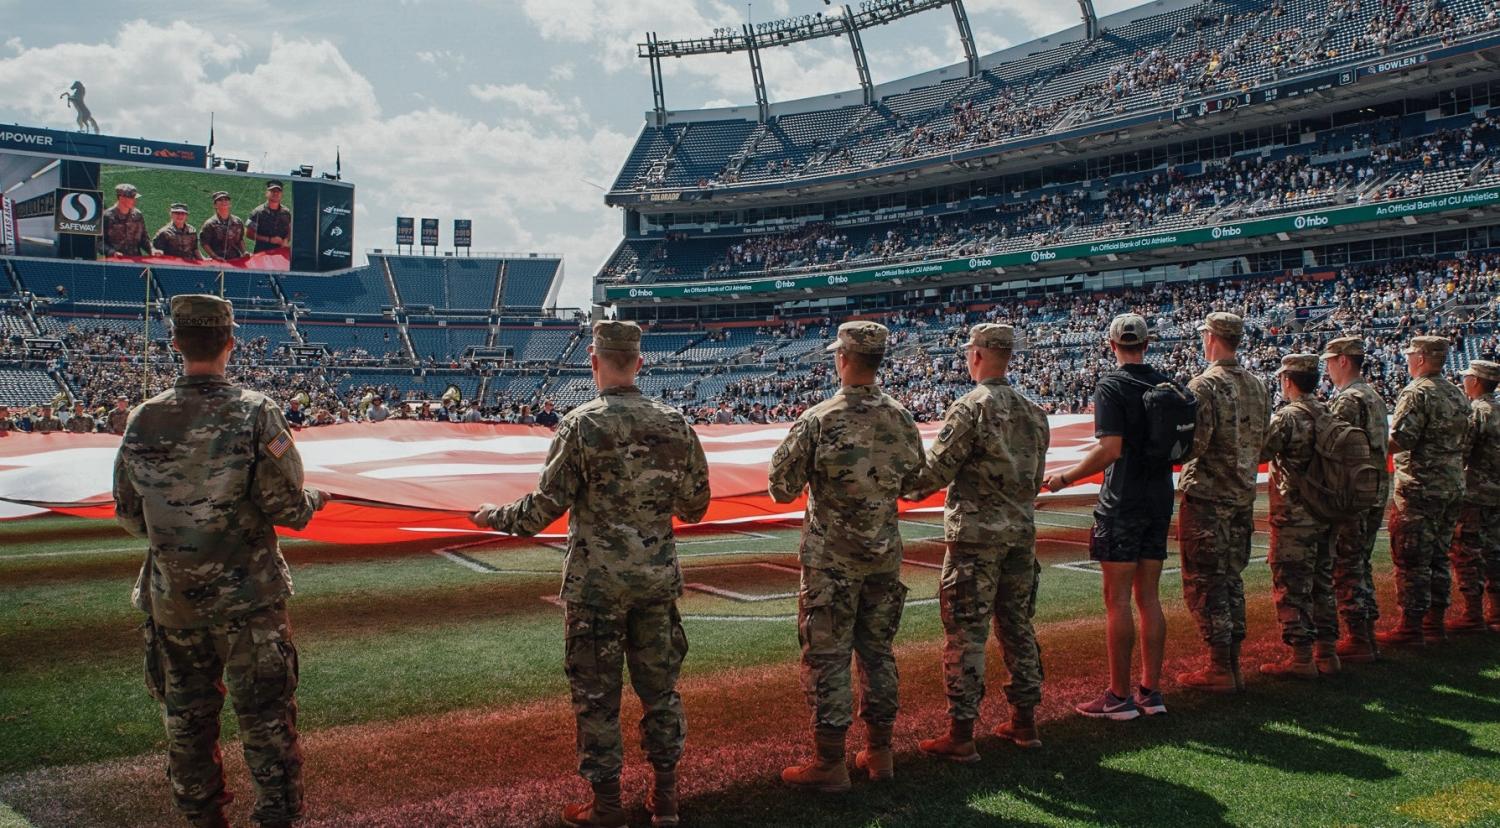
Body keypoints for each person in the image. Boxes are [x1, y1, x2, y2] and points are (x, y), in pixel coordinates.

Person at [470, 320, 710, 828]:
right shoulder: (676, 424)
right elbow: (695, 508)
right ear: (640, 363)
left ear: (594, 362)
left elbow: (540, 511)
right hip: (655, 583)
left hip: (596, 587)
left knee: (597, 699)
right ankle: (664, 801)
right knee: (660, 693)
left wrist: (490, 514)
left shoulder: (581, 426)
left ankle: (605, 807)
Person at [113, 294, 327, 828]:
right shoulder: (256, 413)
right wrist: (316, 501)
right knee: (266, 723)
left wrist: (178, 535)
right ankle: (277, 816)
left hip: (174, 603)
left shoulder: (143, 419)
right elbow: (286, 507)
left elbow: (129, 512)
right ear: (231, 342)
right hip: (249, 603)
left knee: (187, 727)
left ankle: (201, 818)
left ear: (176, 344)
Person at [768, 321, 924, 792]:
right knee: (877, 653)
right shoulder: (900, 418)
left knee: (829, 659)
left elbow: (781, 488)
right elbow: (917, 483)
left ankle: (830, 763)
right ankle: (880, 754)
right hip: (883, 556)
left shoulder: (820, 418)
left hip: (831, 561)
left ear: (842, 359)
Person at [904, 323, 1048, 762]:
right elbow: (1036, 478)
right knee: (1017, 627)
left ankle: (961, 734)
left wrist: (889, 479)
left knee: (966, 634)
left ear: (978, 355)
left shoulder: (970, 408)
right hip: (1019, 537)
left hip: (974, 540)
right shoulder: (1034, 411)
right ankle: (1025, 722)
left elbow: (932, 474)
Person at [1046, 314, 1172, 720]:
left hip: (1123, 500)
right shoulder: (1166, 383)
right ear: (1147, 343)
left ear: (1111, 344)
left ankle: (1119, 697)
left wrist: (1063, 478)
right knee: (1149, 598)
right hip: (1159, 495)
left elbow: (1110, 450)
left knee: (1117, 601)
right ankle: (1151, 692)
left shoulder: (1112, 385)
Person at [1176, 312, 1269, 692]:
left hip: (1209, 497)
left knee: (1205, 581)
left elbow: (1195, 445)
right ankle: (1232, 663)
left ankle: (1219, 666)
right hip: (1242, 495)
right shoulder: (1258, 385)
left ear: (1211, 337)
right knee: (1231, 578)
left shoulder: (1204, 386)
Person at [1380, 335, 1470, 645]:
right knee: (1439, 556)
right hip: (1452, 485)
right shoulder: (1457, 394)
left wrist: (1368, 445)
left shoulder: (1417, 393)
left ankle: (1412, 625)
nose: (1406, 360)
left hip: (1420, 488)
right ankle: (1435, 622)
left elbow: (1401, 440)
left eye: (1410, 355)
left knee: (1412, 558)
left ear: (1420, 358)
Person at [1259, 354, 1338, 678]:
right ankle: (1328, 653)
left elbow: (1261, 451)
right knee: (1323, 581)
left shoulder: (1288, 417)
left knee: (1292, 584)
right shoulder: (1328, 412)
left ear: (1287, 381)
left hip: (1295, 513)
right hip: (1327, 510)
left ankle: (1302, 658)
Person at [1322, 336, 1390, 662]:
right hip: (1374, 489)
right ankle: (1367, 635)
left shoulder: (1349, 400)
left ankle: (1359, 638)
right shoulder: (1373, 395)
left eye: (1330, 361)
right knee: (1359, 562)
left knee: (1347, 564)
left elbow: (1334, 448)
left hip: (1354, 493)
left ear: (1344, 360)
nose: (1327, 367)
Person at [1450, 359, 1500, 632]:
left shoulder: (1476, 412)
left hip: (1475, 493)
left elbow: (1462, 452)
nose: (1464, 381)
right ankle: (1496, 609)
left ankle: (1473, 613)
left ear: (1477, 381)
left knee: (1467, 550)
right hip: (1496, 493)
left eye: (1467, 377)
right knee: (1495, 550)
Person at [101, 183, 152, 258]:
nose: (135, 201)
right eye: (132, 198)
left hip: (136, 260)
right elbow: (99, 242)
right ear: (121, 198)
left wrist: (152, 250)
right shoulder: (107, 216)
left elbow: (144, 238)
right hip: (115, 262)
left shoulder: (137, 215)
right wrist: (112, 252)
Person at [199, 192, 246, 261]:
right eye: (220, 200)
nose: (224, 201)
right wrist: (215, 257)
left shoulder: (238, 221)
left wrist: (244, 252)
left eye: (226, 199)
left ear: (230, 204)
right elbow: (205, 243)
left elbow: (240, 239)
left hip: (235, 259)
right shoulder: (210, 224)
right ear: (215, 205)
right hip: (217, 260)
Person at [247, 181, 292, 252]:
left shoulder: (287, 212)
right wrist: (269, 239)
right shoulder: (258, 212)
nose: (276, 193)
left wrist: (286, 240)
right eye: (272, 191)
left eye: (278, 191)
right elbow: (249, 234)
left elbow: (290, 230)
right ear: (266, 193)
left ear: (282, 194)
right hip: (262, 253)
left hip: (280, 252)